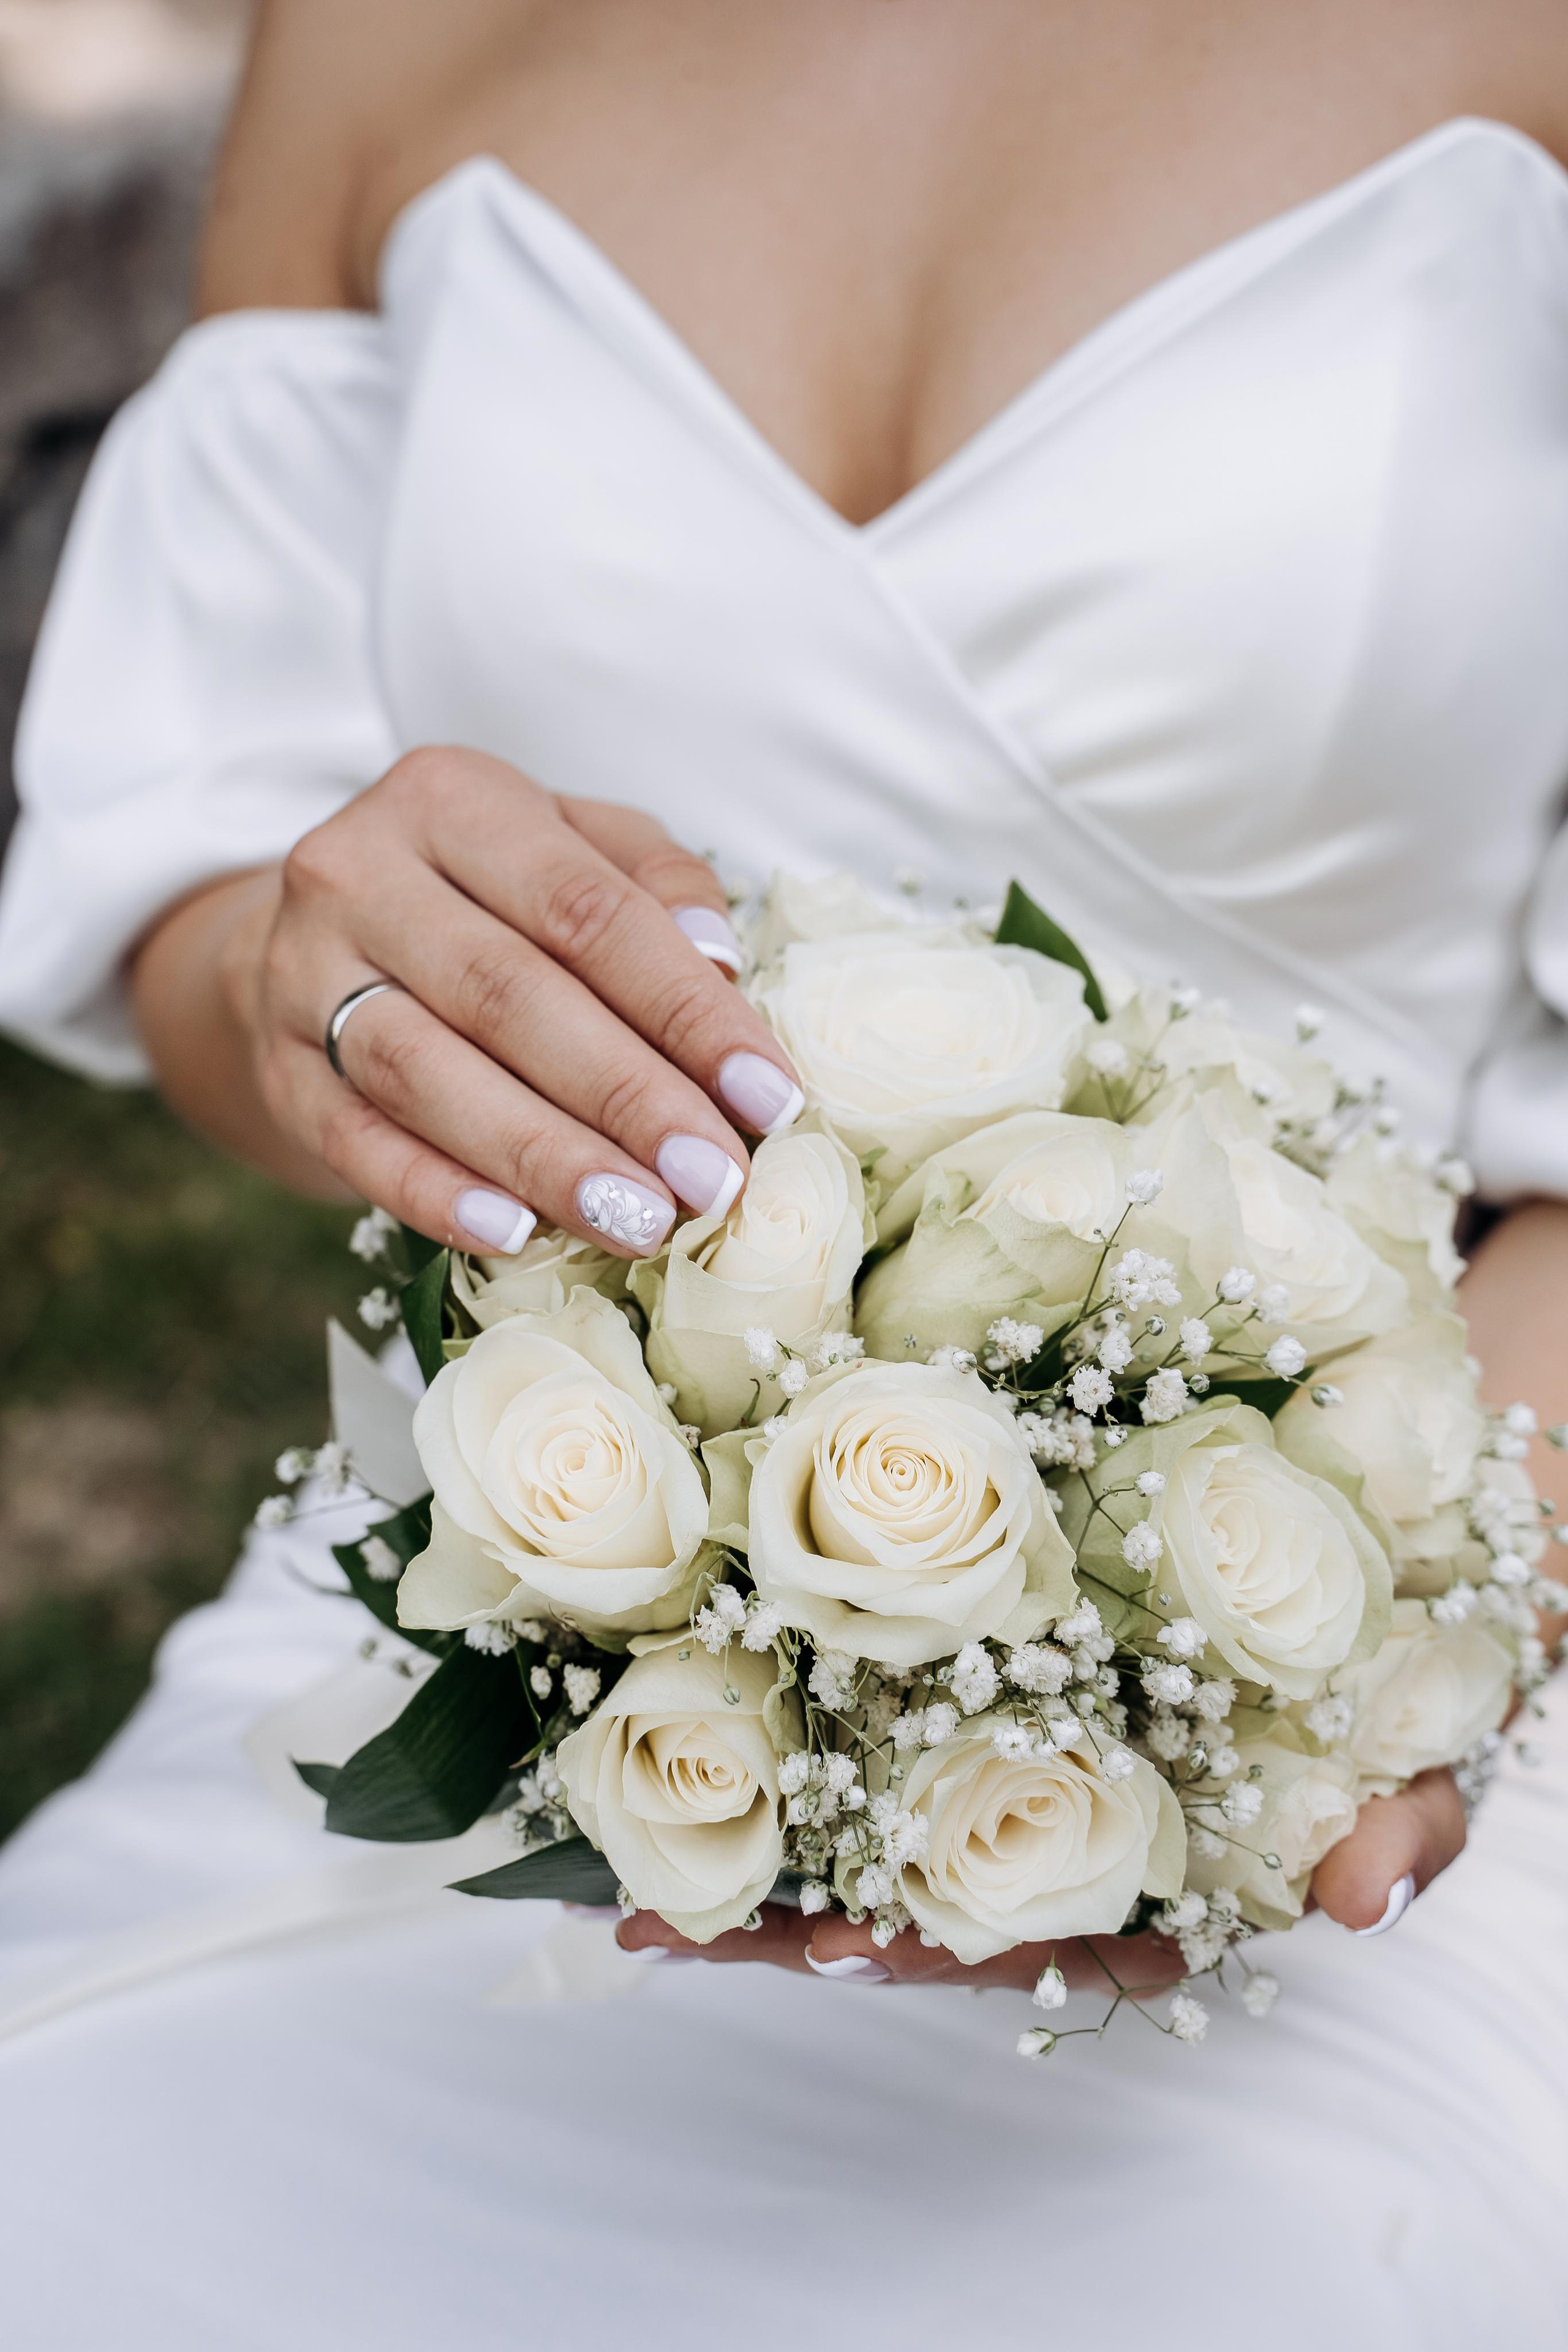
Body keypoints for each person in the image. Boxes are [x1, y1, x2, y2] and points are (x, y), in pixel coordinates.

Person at [0, 2, 1566, 2342]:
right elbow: (198, 862)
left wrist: (1312, 1705)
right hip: (528, 1612)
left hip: (1423, 1612)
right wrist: (313, 981)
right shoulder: (383, 29)